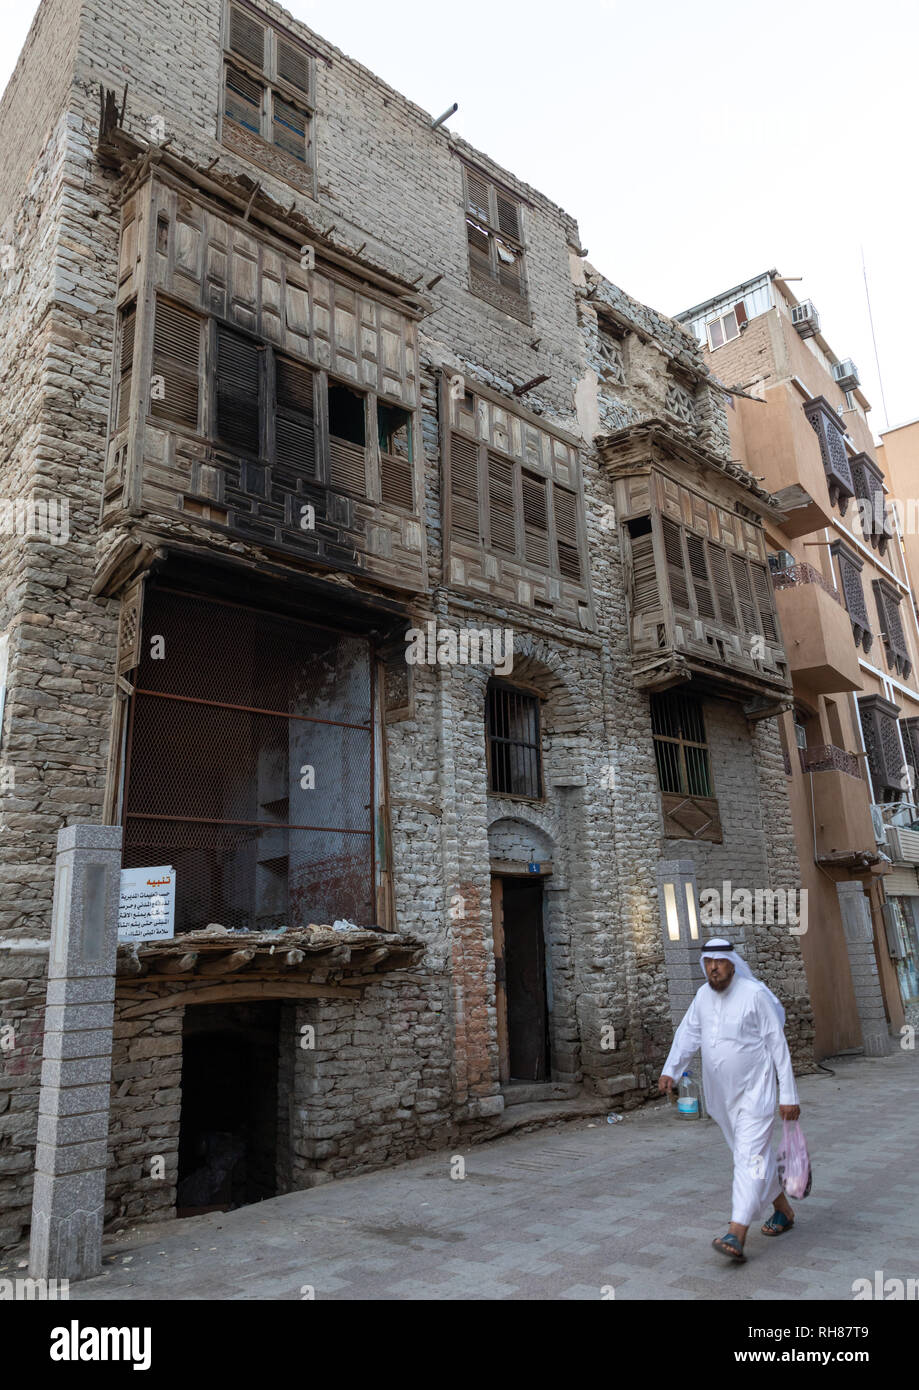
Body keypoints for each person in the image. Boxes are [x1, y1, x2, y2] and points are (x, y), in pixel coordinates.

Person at [658, 937, 800, 1262]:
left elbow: (778, 1046)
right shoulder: (702, 997)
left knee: (748, 1158)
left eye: (719, 962)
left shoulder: (754, 995)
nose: (713, 968)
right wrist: (672, 1071)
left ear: (732, 963)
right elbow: (687, 1035)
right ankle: (783, 1211)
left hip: (756, 1094)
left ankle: (736, 1233)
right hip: (721, 1098)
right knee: (752, 1157)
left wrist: (788, 1094)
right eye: (708, 962)